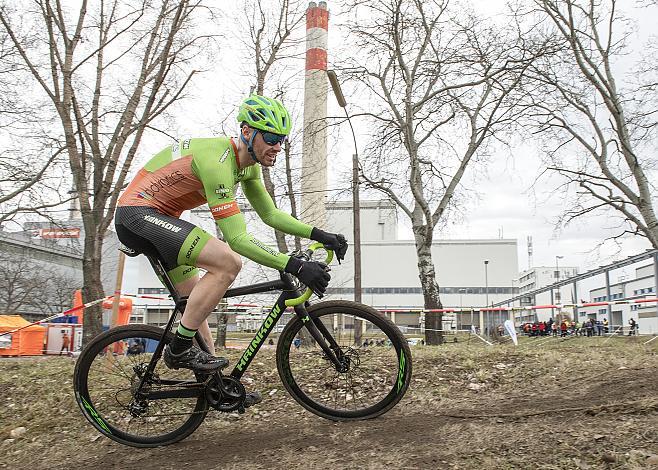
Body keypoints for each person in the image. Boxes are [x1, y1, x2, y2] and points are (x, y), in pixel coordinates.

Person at [114, 95, 348, 406]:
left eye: (282, 139)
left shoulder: (248, 167)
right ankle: (179, 349)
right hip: (136, 215)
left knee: (194, 308)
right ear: (248, 132)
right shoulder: (218, 162)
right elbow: (236, 238)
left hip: (161, 219)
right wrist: (295, 265)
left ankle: (215, 387)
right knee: (227, 262)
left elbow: (270, 215)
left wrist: (320, 234)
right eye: (272, 138)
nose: (278, 146)